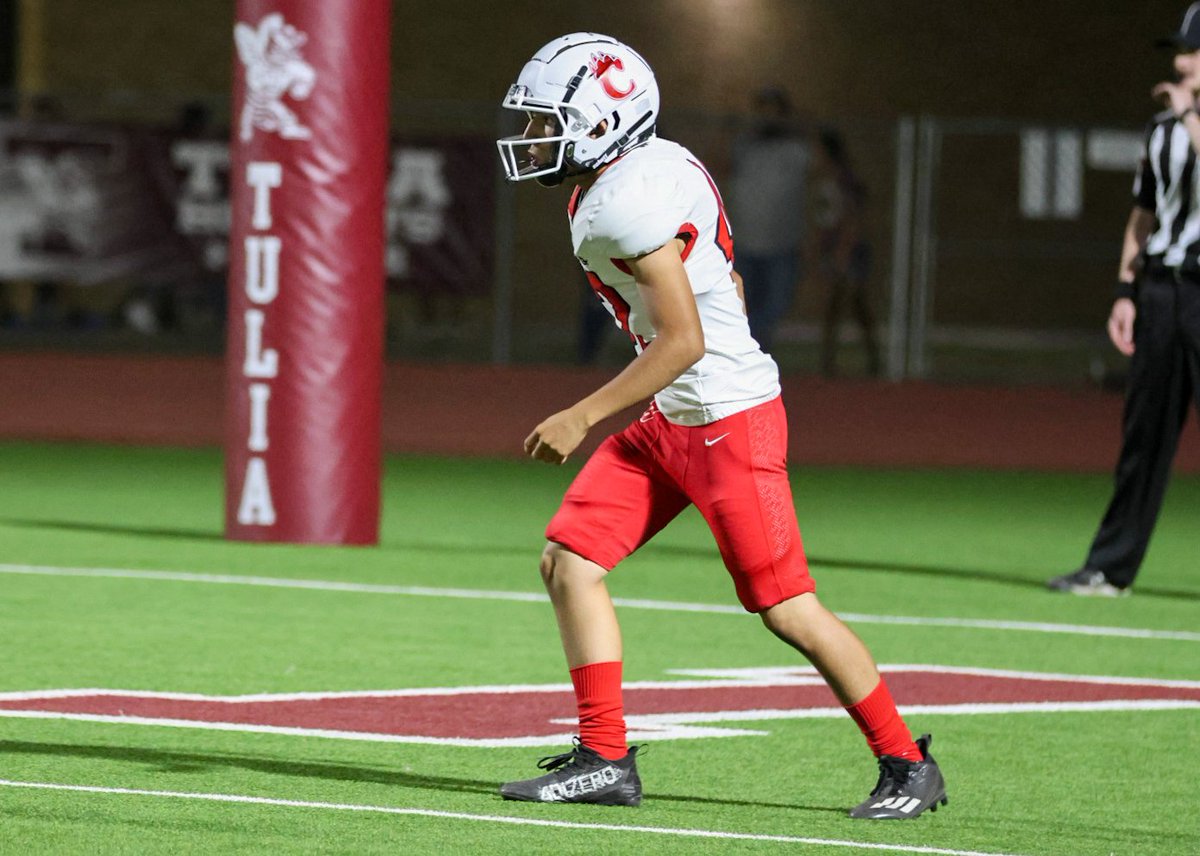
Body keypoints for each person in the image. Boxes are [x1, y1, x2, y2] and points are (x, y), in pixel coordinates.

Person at [494, 32, 947, 819]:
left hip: (726, 421)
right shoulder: (659, 163)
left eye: (549, 121)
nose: (535, 139)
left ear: (604, 121)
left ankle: (906, 763)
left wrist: (582, 413)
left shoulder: (616, 204)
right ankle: (604, 757)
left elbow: (684, 339)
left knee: (788, 609)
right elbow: (723, 280)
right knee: (570, 560)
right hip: (678, 417)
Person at [1049, 5, 1200, 597]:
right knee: (1144, 437)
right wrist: (1125, 290)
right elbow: (1142, 216)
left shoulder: (1182, 119)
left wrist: (1188, 113)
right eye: (1181, 50)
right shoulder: (1161, 129)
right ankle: (1110, 567)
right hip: (1163, 291)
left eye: (1192, 50)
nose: (1181, 60)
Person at [726, 86, 810, 355]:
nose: (768, 119)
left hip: (782, 244)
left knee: (776, 304)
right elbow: (716, 161)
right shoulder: (743, 145)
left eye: (775, 113)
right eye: (763, 113)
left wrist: (800, 125)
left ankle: (756, 351)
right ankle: (746, 356)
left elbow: (820, 167)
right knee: (740, 304)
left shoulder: (795, 149)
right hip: (744, 242)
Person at [814, 127, 881, 378]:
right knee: (837, 303)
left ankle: (871, 359)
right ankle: (829, 361)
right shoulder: (827, 179)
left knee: (851, 301)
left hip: (849, 248)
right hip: (835, 246)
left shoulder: (843, 179)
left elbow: (853, 216)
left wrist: (843, 249)